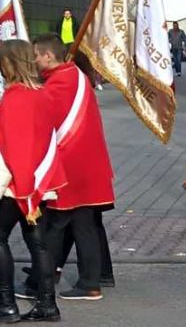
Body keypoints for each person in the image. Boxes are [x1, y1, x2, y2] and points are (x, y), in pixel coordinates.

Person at [27, 33, 115, 301]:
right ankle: (87, 278)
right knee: (83, 225)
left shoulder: (57, 85)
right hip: (88, 164)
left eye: (36, 55)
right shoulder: (74, 75)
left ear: (48, 56)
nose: (33, 60)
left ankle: (49, 282)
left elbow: (41, 123)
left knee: (59, 225)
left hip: (72, 167)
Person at [0, 39, 67, 322]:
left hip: (20, 184)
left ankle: (6, 304)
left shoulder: (14, 97)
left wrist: (25, 192)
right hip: (42, 181)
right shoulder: (43, 93)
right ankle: (48, 304)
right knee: (37, 244)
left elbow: (15, 147)